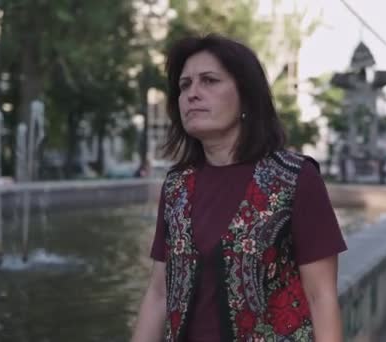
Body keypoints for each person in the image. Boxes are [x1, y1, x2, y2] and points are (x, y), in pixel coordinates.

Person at [131, 34, 347, 342]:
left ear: (246, 95)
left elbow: (321, 297)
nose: (193, 94)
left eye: (209, 81)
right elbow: (159, 293)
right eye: (184, 85)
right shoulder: (177, 186)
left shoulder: (294, 177)